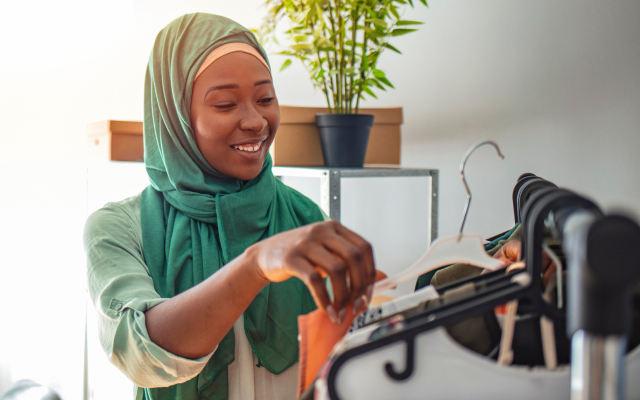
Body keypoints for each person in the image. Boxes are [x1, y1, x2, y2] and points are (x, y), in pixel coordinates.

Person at [83, 13, 376, 400]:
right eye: (224, 104)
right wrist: (255, 265)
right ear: (176, 118)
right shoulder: (119, 228)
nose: (256, 121)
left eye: (266, 99)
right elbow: (140, 352)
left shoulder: (305, 219)